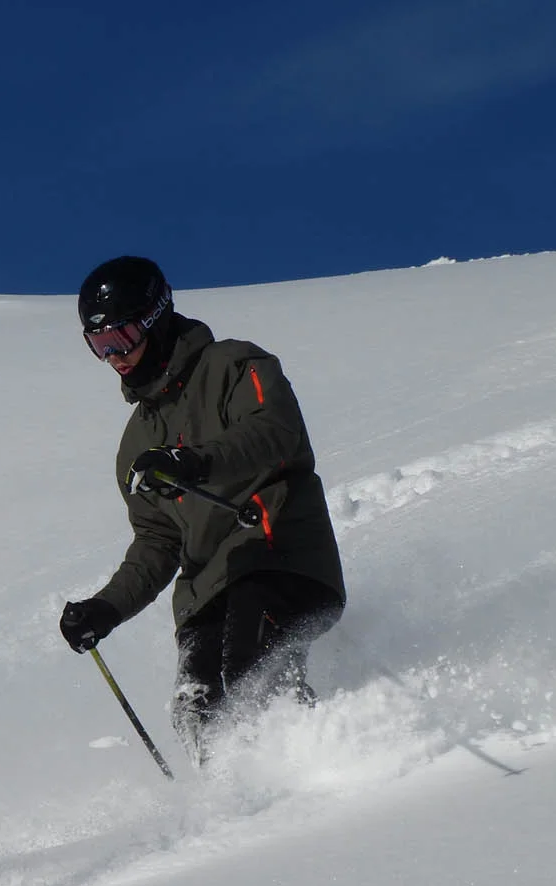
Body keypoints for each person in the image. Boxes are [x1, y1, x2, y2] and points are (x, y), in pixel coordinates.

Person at [59, 256, 346, 766]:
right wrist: (107, 608)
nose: (114, 357)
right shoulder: (136, 444)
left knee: (250, 671)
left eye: (120, 337)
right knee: (198, 710)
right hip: (202, 595)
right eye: (98, 346)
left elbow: (275, 432)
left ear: (155, 316)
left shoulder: (234, 365)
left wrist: (193, 461)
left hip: (275, 552)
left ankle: (316, 777)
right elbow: (157, 541)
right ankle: (232, 810)